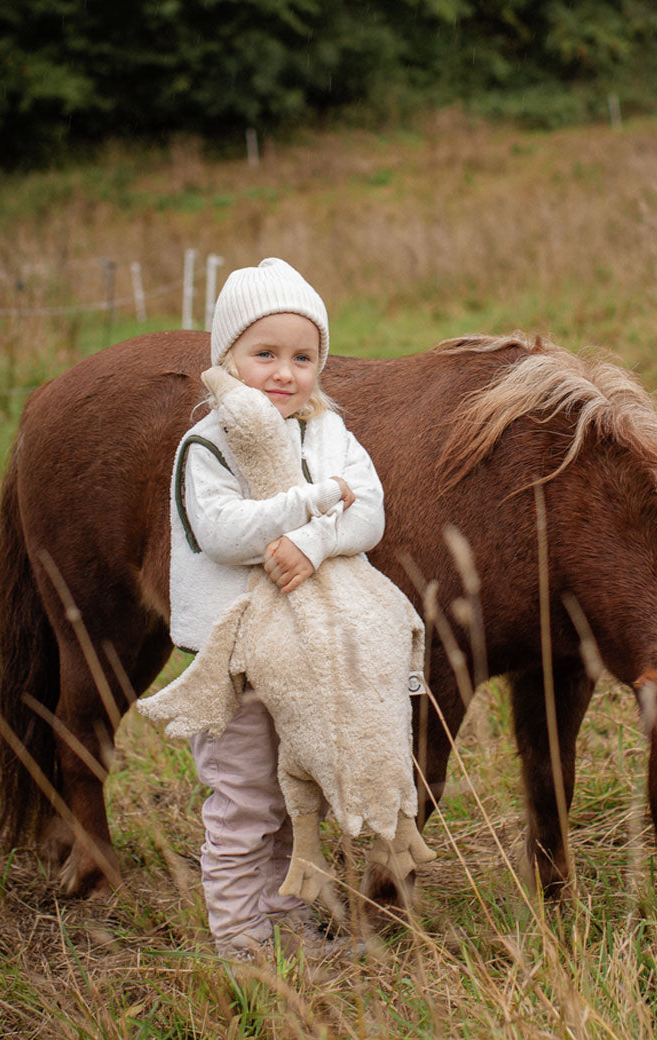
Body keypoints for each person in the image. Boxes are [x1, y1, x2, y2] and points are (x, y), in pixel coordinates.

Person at [168, 257, 385, 961]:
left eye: (303, 356)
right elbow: (226, 533)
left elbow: (370, 511)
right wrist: (312, 505)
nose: (285, 373)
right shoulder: (208, 443)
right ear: (226, 358)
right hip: (233, 657)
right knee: (243, 804)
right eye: (265, 354)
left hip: (301, 652)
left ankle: (287, 924)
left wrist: (315, 541)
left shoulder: (328, 432)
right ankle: (240, 944)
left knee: (298, 794)